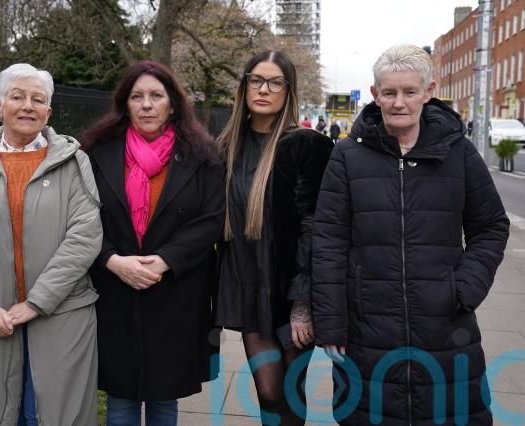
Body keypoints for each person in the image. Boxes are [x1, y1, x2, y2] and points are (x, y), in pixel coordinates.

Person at [312, 44, 509, 424]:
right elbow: (328, 242)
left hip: (445, 328)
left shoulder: (460, 153)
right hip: (367, 328)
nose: (399, 102)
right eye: (389, 92)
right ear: (375, 94)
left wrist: (464, 288)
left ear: (428, 91)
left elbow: (491, 226)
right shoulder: (347, 156)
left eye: (409, 91)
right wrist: (331, 323)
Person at [0, 63, 103, 425]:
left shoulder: (74, 162)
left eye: (38, 99)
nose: (28, 106)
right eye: (18, 97)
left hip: (63, 314)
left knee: (56, 414)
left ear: (48, 112)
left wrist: (36, 302)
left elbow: (84, 237)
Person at [81, 60, 225, 426]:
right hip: (115, 290)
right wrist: (112, 260)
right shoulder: (96, 152)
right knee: (120, 400)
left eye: (156, 96)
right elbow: (80, 217)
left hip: (175, 291)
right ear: (125, 104)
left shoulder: (202, 155)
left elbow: (211, 220)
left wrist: (164, 261)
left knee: (164, 398)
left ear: (172, 104)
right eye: (137, 96)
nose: (146, 104)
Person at [215, 50, 333, 425]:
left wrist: (303, 303)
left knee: (291, 393)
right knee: (268, 392)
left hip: (291, 288)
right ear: (244, 86)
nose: (264, 89)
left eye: (275, 82)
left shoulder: (308, 146)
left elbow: (316, 227)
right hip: (249, 288)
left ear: (288, 90)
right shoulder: (226, 147)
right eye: (256, 80)